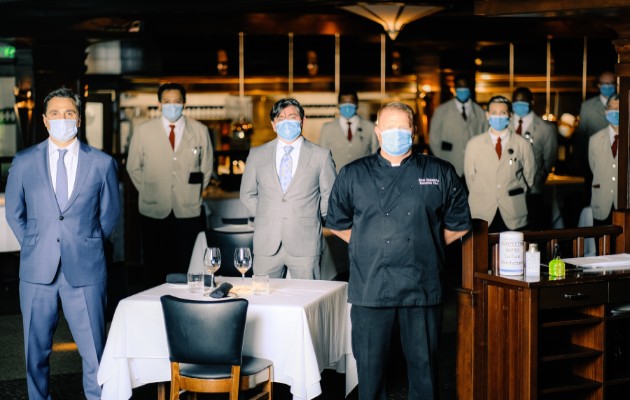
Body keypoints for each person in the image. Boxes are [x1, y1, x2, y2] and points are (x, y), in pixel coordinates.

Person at [326, 101, 471, 400]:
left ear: (414, 131)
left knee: (425, 367)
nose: (396, 133)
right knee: (370, 368)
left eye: (403, 127)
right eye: (389, 127)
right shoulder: (353, 174)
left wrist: (425, 244)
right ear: (378, 132)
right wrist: (369, 243)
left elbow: (459, 224)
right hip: (370, 284)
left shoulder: (439, 171)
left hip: (421, 283)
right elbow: (337, 222)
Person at [5, 88, 121, 400]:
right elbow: (15, 213)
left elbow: (109, 215)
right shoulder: (24, 161)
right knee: (35, 352)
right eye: (54, 113)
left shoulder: (101, 163)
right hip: (36, 270)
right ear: (44, 120)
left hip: (86, 270)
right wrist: (34, 244)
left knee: (95, 352)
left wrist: (86, 243)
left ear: (79, 119)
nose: (62, 119)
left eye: (69, 113)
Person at [240, 98, 337, 279]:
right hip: (266, 243)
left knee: (308, 299)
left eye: (292, 117)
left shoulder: (321, 156)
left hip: (305, 241)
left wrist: (311, 215)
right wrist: (268, 213)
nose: (286, 121)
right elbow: (247, 194)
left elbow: (330, 196)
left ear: (303, 121)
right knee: (264, 299)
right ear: (273, 124)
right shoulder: (257, 155)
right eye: (281, 118)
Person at [126, 82, 213, 284]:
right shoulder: (143, 131)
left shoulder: (200, 131)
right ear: (159, 104)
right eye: (167, 102)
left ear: (184, 103)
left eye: (176, 101)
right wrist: (151, 190)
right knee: (155, 266)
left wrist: (191, 193)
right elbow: (133, 168)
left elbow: (207, 169)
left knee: (189, 266)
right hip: (153, 210)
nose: (171, 106)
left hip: (188, 210)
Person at [464, 95, 536, 232]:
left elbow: (530, 176)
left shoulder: (522, 143)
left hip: (513, 210)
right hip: (482, 211)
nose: (498, 117)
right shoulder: (474, 144)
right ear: (487, 115)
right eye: (494, 113)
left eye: (503, 113)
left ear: (510, 115)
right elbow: (470, 178)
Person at [511, 86, 558, 229]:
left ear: (532, 102)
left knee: (533, 225)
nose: (520, 106)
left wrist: (541, 175)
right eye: (516, 103)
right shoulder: (505, 124)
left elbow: (550, 156)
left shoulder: (545, 128)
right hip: (509, 186)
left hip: (534, 187)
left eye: (523, 103)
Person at [429, 74, 486, 184]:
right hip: (448, 164)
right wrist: (442, 160)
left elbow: (485, 137)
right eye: (460, 88)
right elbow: (434, 139)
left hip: (474, 167)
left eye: (465, 88)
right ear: (455, 89)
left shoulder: (479, 112)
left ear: (470, 89)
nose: (462, 91)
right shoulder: (441, 111)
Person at [575, 70, 617, 206]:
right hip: (594, 162)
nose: (608, 86)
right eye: (605, 84)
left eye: (611, 83)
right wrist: (583, 163)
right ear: (598, 85)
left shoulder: (625, 102)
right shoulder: (587, 107)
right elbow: (581, 135)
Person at [319, 89, 378, 172]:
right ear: (338, 105)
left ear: (357, 104)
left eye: (351, 102)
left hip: (363, 177)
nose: (347, 105)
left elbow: (375, 154)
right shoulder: (327, 128)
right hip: (336, 178)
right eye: (344, 102)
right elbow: (321, 157)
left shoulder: (370, 127)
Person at [588, 93, 620, 226]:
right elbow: (593, 167)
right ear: (606, 110)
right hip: (601, 202)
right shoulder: (594, 139)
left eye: (619, 108)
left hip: (624, 203)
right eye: (612, 108)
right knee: (602, 246)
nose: (615, 112)